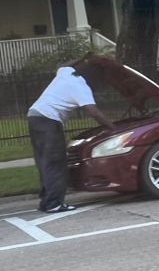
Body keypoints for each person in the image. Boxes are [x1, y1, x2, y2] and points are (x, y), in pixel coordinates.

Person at [27, 57, 114, 213]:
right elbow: (93, 111)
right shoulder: (81, 87)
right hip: (49, 120)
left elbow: (62, 64)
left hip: (34, 117)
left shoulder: (67, 73)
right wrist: (111, 127)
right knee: (56, 163)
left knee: (44, 162)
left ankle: (46, 201)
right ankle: (54, 203)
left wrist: (82, 58)